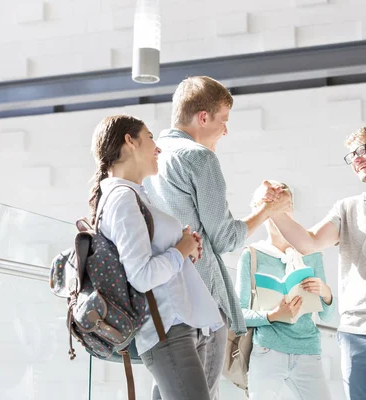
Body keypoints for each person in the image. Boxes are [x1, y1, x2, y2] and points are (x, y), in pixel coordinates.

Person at [144, 76, 288, 399]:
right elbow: (224, 238)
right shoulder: (199, 157)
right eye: (223, 121)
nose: (226, 131)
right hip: (202, 298)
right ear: (203, 117)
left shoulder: (151, 157)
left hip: (162, 300)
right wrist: (267, 209)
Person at [258, 123, 366, 400]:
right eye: (351, 155)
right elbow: (308, 241)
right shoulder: (347, 208)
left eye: (361, 150)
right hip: (354, 334)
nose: (355, 159)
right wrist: (273, 211)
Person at [89, 115, 225, 400]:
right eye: (150, 137)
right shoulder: (123, 199)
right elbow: (142, 276)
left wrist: (184, 250)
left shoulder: (133, 195)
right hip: (166, 331)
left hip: (176, 325)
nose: (158, 148)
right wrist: (181, 249)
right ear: (130, 141)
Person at [236, 181, 336, 400]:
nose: (280, 209)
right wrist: (273, 316)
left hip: (308, 350)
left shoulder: (311, 253)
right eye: (270, 202)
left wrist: (326, 293)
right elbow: (239, 315)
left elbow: (328, 315)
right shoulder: (251, 255)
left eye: (285, 204)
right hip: (267, 351)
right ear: (259, 209)